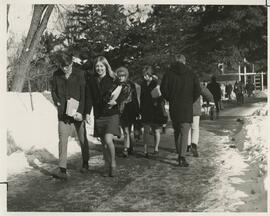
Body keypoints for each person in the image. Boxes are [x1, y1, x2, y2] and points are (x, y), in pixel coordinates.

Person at [85, 56, 126, 177]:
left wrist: (116, 102)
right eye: (97, 66)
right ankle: (106, 164)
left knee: (108, 139)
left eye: (101, 66)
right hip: (99, 115)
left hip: (111, 114)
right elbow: (89, 98)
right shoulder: (91, 81)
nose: (99, 68)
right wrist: (87, 112)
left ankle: (113, 163)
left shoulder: (113, 79)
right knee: (103, 143)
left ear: (106, 66)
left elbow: (125, 92)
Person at [51, 52, 89, 180]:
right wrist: (57, 102)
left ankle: (85, 162)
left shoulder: (80, 74)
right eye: (62, 66)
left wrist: (81, 112)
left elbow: (84, 94)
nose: (64, 68)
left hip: (77, 112)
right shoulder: (56, 74)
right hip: (63, 114)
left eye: (66, 66)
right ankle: (62, 169)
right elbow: (53, 91)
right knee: (62, 139)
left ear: (72, 63)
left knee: (82, 138)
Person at [160, 54, 201, 167]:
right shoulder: (191, 74)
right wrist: (190, 100)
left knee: (177, 131)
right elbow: (198, 90)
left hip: (174, 106)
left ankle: (179, 152)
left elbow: (163, 89)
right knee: (185, 132)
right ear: (184, 61)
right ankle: (182, 157)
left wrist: (170, 98)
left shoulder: (168, 73)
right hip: (187, 107)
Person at [140, 66, 166, 157]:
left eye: (146, 75)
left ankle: (156, 148)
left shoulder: (156, 83)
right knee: (146, 131)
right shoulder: (143, 84)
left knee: (156, 131)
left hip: (155, 110)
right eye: (143, 76)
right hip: (146, 110)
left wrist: (156, 100)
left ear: (150, 74)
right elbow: (141, 98)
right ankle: (145, 150)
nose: (144, 77)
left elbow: (162, 97)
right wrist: (140, 110)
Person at [115, 67, 140, 157]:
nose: (121, 77)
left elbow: (135, 98)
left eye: (123, 76)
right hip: (120, 110)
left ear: (126, 76)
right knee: (127, 130)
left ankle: (126, 149)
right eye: (119, 76)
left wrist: (138, 111)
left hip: (130, 110)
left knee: (126, 130)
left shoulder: (131, 85)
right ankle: (130, 147)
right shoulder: (116, 85)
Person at [187, 83, 213, 157]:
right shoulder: (197, 83)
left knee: (187, 128)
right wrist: (208, 100)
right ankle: (194, 144)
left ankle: (187, 145)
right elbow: (208, 95)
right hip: (195, 108)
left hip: (184, 109)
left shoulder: (181, 80)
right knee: (195, 128)